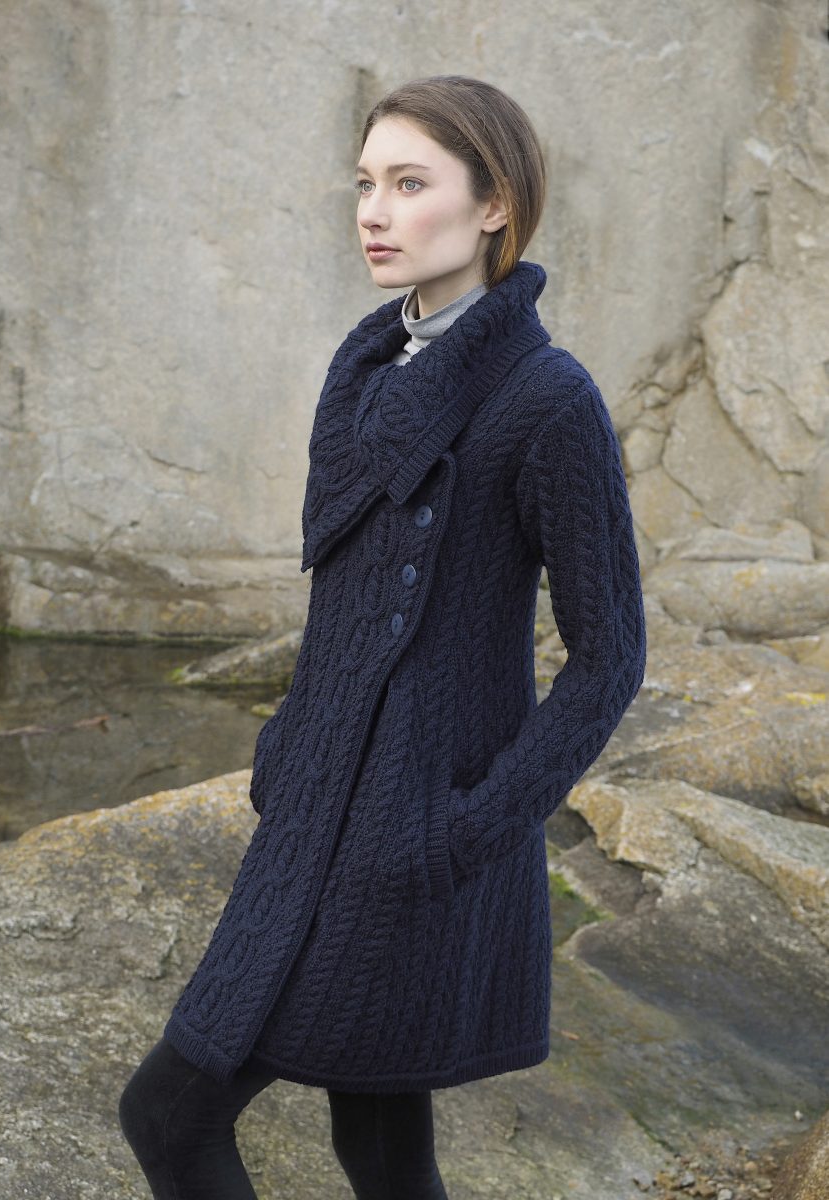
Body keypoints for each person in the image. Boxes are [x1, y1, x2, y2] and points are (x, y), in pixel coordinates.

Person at [118, 74, 646, 1199]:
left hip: (413, 837)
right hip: (315, 811)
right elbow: (345, 609)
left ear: (494, 204)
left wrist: (472, 829)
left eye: (410, 184)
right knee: (381, 1140)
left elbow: (610, 657)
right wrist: (281, 752)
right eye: (365, 184)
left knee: (171, 1112)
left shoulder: (547, 399)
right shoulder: (367, 370)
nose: (374, 212)